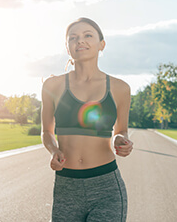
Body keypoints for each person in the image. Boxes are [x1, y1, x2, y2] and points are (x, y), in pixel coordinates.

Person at [41, 17, 133, 222]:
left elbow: (122, 130)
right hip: (66, 187)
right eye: (73, 38)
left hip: (106, 187)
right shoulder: (52, 86)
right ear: (68, 48)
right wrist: (54, 150)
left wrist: (120, 140)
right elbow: (46, 131)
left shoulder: (120, 88)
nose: (80, 41)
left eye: (87, 35)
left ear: (102, 44)